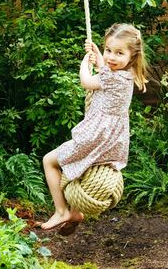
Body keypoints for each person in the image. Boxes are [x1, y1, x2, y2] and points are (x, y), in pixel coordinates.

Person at [39, 23, 148, 234]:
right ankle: (76, 211)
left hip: (94, 137)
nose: (111, 57)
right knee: (81, 169)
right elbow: (107, 71)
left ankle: (61, 211)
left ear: (132, 56)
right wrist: (98, 56)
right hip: (112, 140)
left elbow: (87, 81)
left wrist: (84, 63)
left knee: (49, 161)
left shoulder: (111, 77)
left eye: (119, 53)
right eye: (108, 50)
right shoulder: (128, 74)